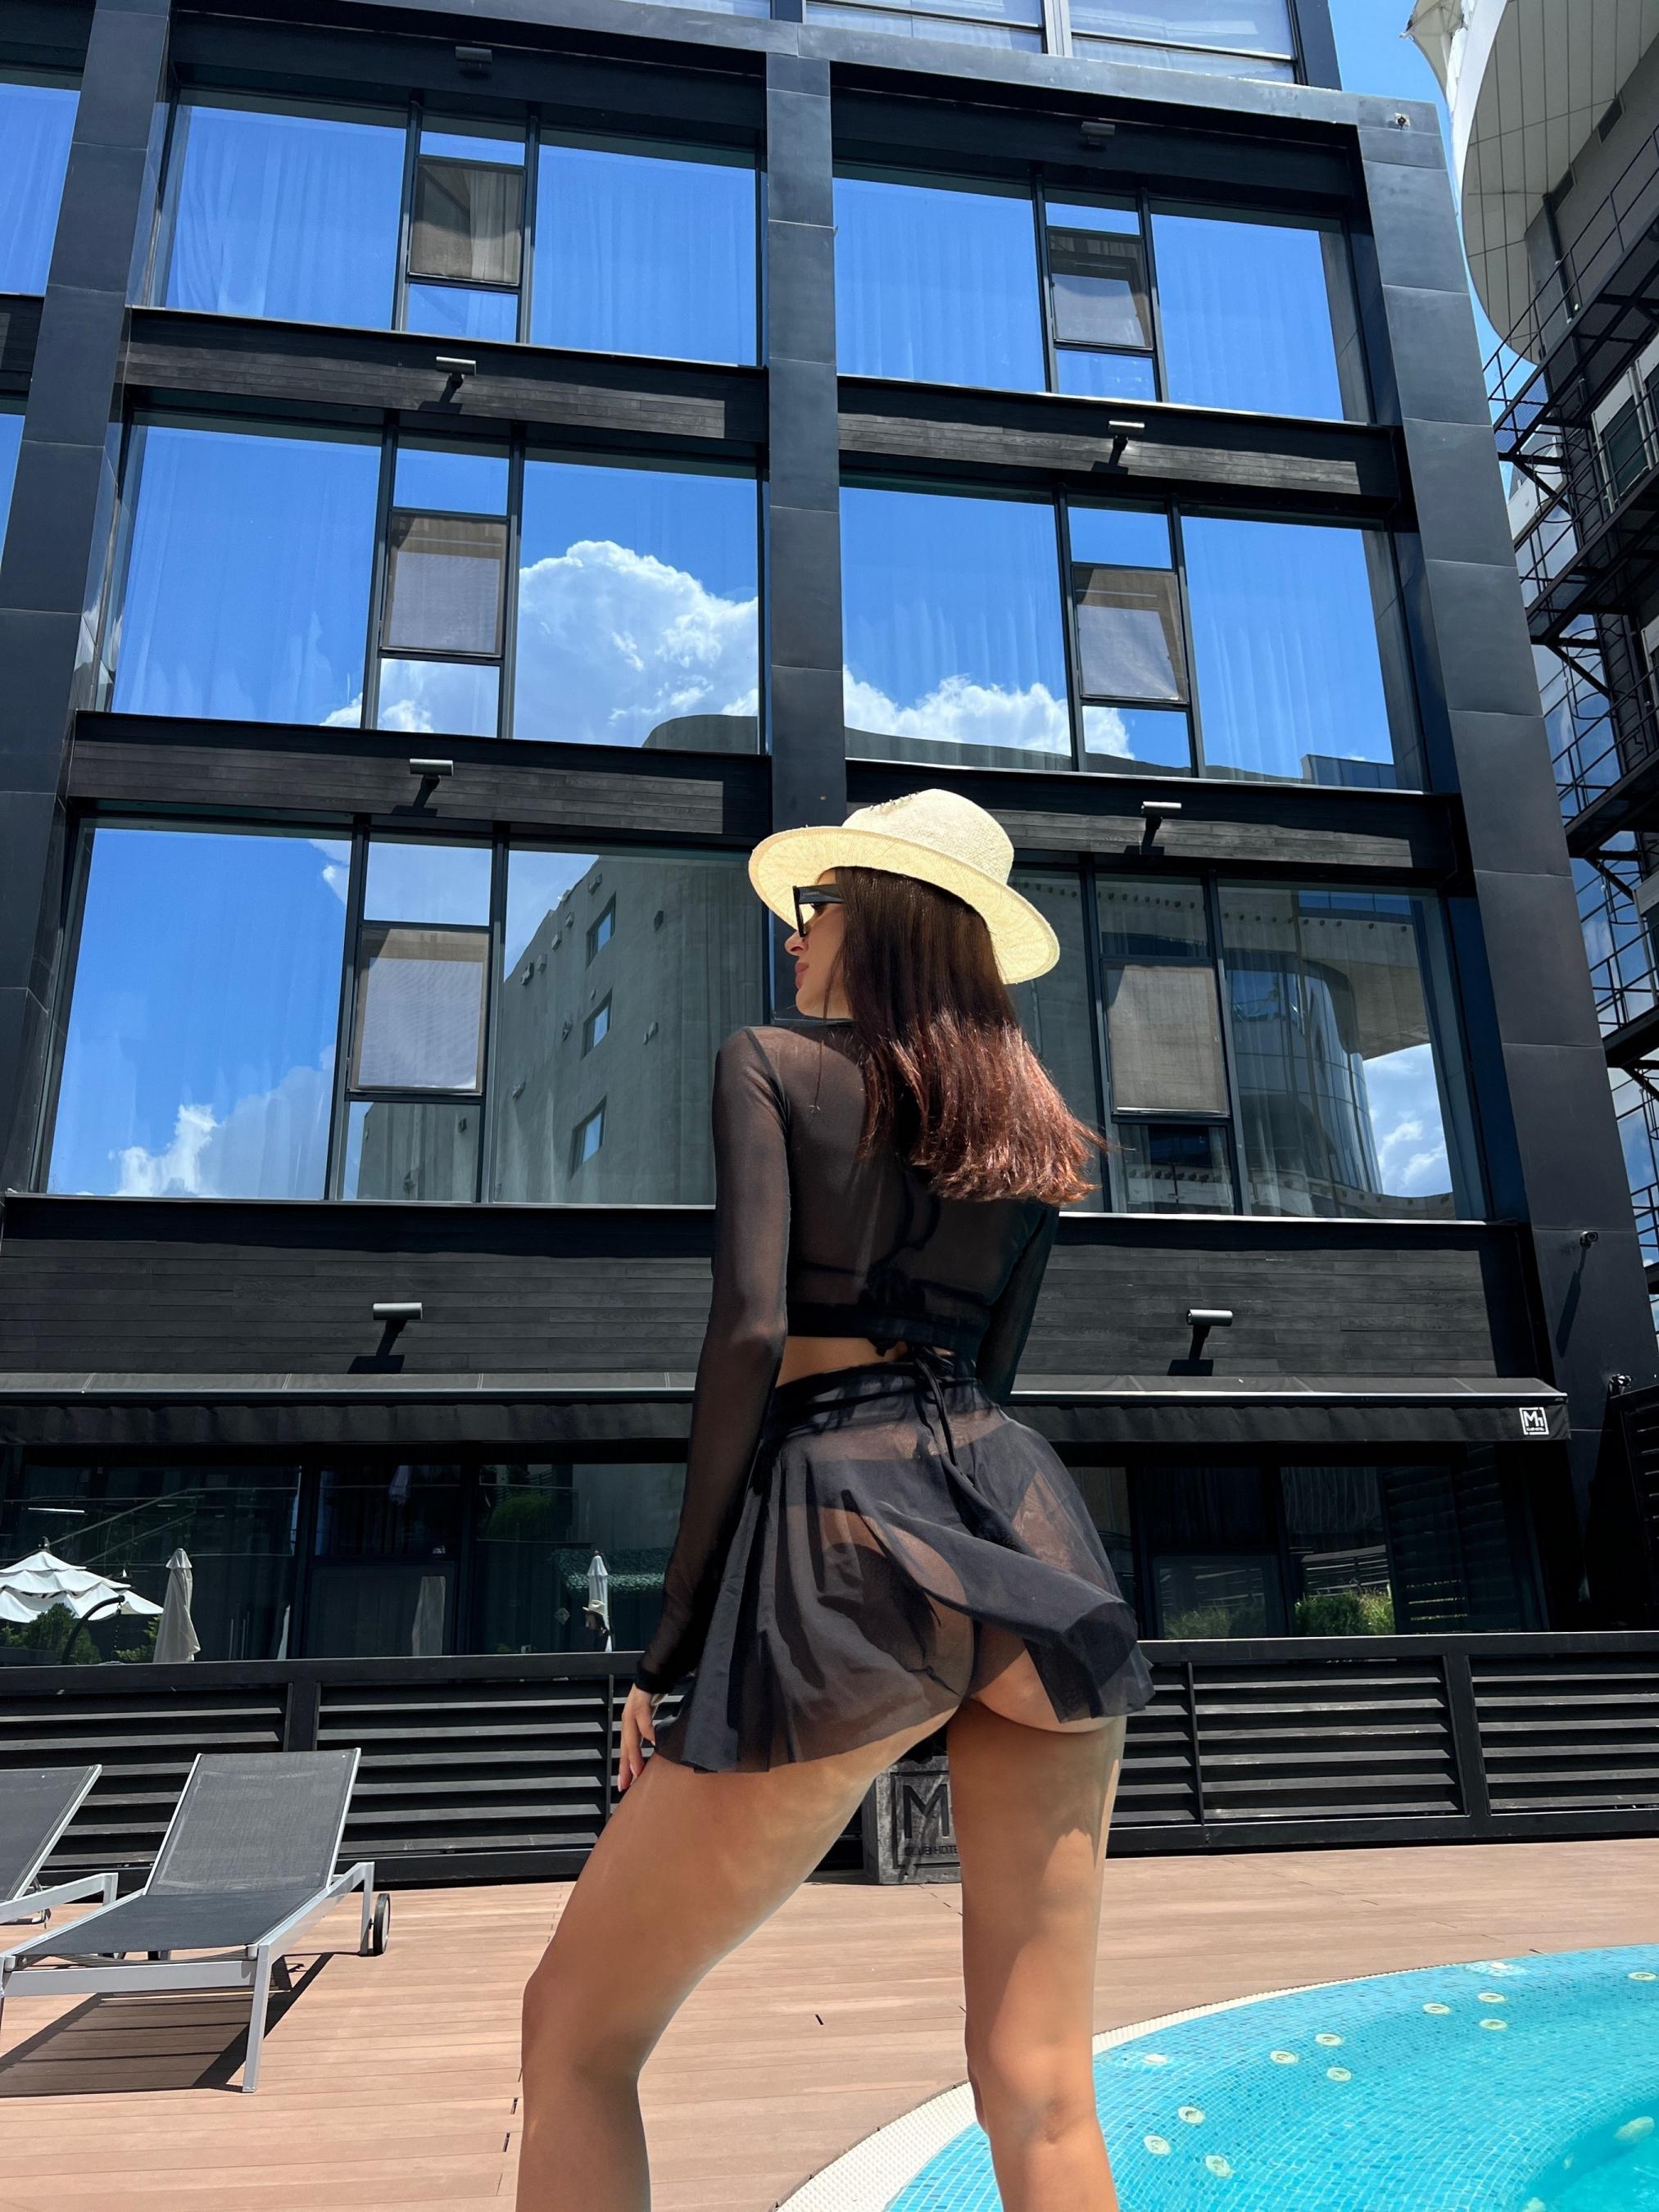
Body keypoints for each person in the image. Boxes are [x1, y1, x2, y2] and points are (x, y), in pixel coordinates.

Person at [518, 789, 1152, 2212]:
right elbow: (991, 1375)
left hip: (840, 1531)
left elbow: (750, 1335)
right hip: (1023, 1526)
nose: (792, 937)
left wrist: (669, 1646)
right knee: (1041, 2083)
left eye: (812, 910)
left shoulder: (767, 1063)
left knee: (574, 2030)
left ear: (877, 921)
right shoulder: (1034, 1133)